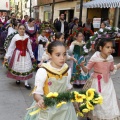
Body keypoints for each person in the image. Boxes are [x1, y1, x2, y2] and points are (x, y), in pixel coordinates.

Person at [24, 41, 78, 120]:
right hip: (48, 109)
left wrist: (74, 101)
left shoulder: (66, 69)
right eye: (58, 55)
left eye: (64, 54)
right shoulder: (43, 71)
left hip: (65, 109)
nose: (62, 58)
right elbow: (36, 94)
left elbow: (67, 88)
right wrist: (40, 100)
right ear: (49, 55)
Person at [80, 38, 120, 119]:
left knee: (108, 100)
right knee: (97, 99)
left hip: (107, 82)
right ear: (101, 48)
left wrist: (118, 65)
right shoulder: (95, 57)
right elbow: (87, 70)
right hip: (96, 81)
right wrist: (82, 66)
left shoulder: (111, 58)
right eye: (107, 47)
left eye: (111, 47)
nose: (110, 49)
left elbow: (112, 69)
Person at [4, 24, 35, 90]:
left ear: (25, 30)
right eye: (20, 29)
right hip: (17, 54)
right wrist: (7, 56)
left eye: (23, 29)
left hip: (25, 54)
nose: (22, 30)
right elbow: (11, 48)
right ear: (18, 29)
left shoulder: (27, 37)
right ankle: (18, 79)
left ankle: (26, 83)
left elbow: (29, 48)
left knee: (25, 67)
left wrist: (32, 56)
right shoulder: (15, 37)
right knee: (17, 67)